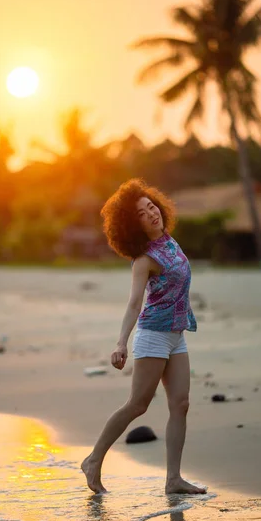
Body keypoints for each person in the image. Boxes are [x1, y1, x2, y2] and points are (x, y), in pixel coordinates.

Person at [81, 179, 207, 495]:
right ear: (132, 225)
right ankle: (94, 459)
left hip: (176, 336)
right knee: (138, 405)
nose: (151, 213)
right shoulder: (144, 260)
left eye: (151, 206)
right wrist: (121, 342)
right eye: (141, 213)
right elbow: (134, 303)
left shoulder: (170, 243)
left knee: (181, 404)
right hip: (152, 335)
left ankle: (173, 479)